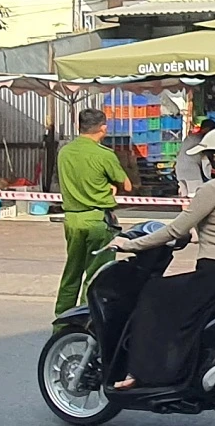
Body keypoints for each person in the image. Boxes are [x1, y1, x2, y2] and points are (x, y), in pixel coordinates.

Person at [109, 128, 215, 389]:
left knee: (153, 294)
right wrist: (199, 236)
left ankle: (140, 373)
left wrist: (131, 245)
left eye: (205, 155)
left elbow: (174, 230)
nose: (203, 161)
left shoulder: (213, 188)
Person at [54, 108, 132, 318]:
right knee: (97, 275)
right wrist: (110, 186)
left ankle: (62, 321)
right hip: (98, 220)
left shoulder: (65, 152)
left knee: (72, 273)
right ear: (103, 128)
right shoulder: (104, 155)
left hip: (72, 219)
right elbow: (126, 184)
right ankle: (86, 318)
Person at [176, 119, 215, 197]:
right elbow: (205, 161)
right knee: (195, 196)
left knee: (183, 197)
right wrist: (211, 175)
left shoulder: (190, 137)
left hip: (179, 170)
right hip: (192, 172)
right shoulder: (203, 140)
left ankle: (184, 209)